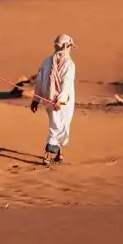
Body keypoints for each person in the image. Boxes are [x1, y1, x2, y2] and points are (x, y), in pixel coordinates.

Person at [30, 34, 76, 166]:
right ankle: (47, 155)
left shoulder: (48, 61)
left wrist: (37, 99)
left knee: (58, 124)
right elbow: (65, 84)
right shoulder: (68, 64)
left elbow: (40, 81)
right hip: (60, 101)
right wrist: (59, 100)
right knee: (57, 126)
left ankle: (59, 154)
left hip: (51, 99)